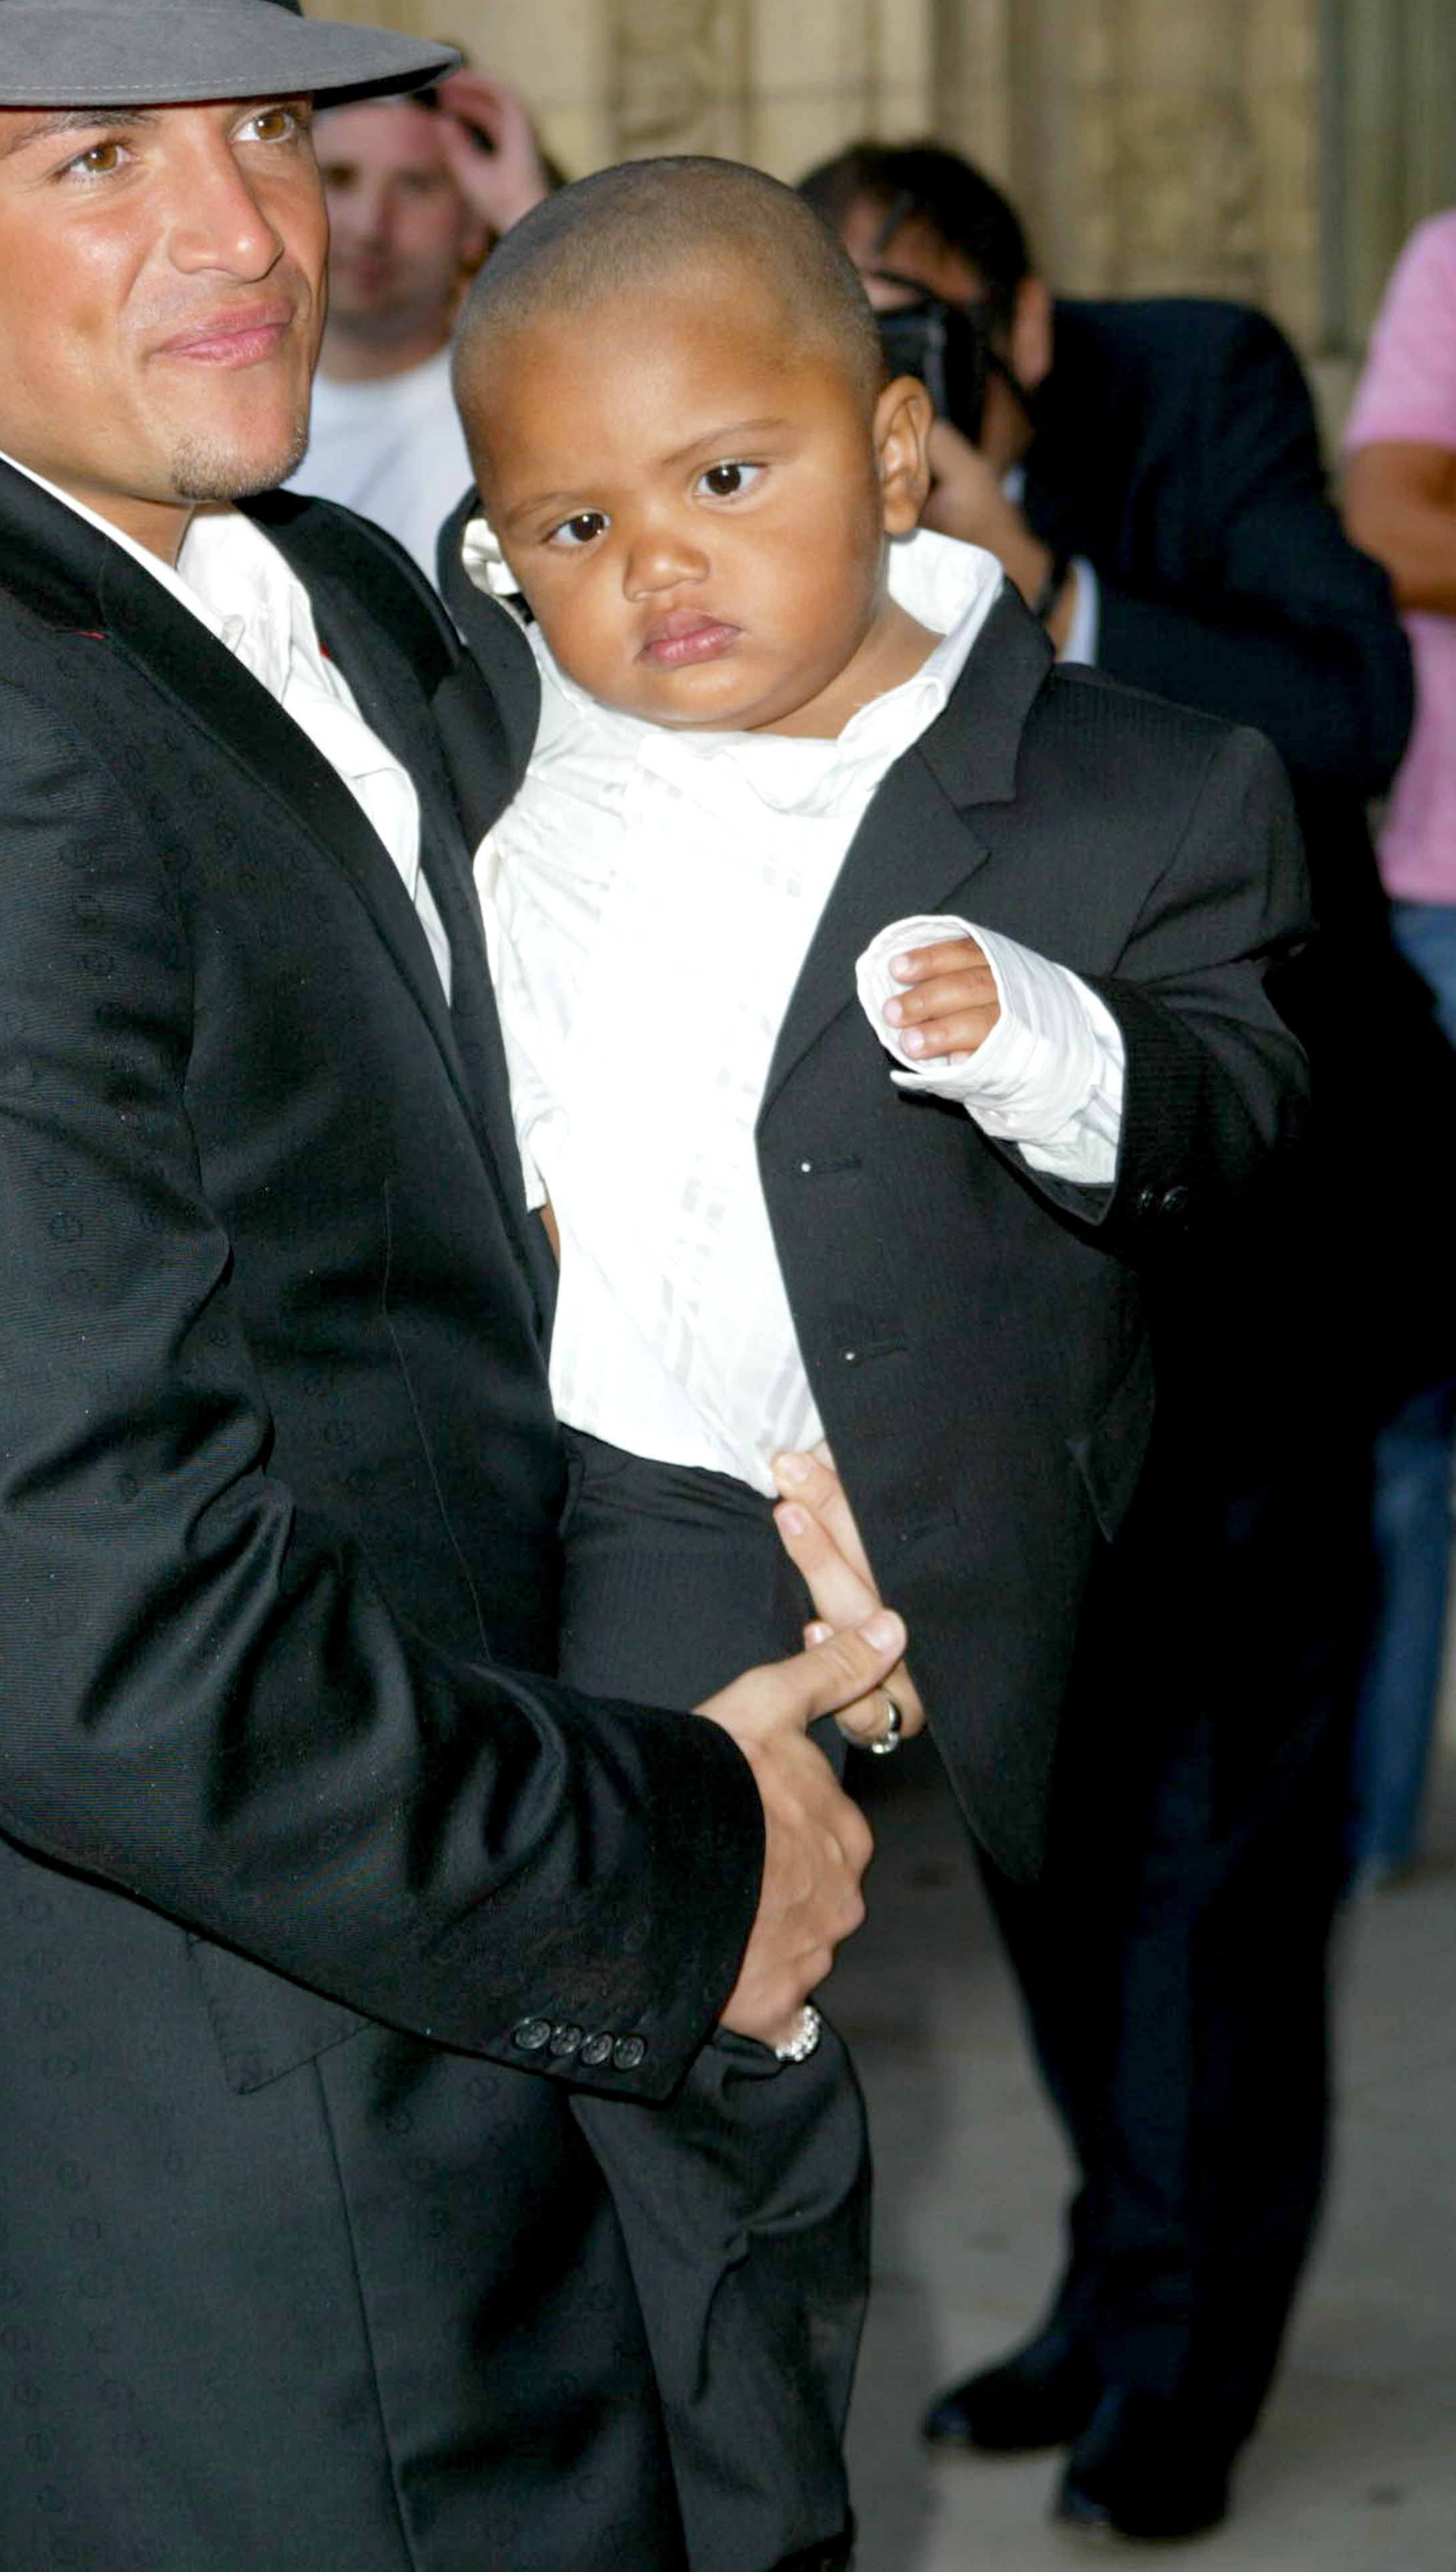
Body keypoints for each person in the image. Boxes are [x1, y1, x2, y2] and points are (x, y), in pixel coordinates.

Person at [0, 0, 909, 2572]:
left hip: (461, 2070)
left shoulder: (291, 569)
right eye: (84, 162)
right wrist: (688, 1854)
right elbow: (122, 1664)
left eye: (253, 126)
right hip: (244, 2220)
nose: (230, 232)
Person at [437, 157, 1310, 2567]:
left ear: (897, 449)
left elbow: (1236, 1112)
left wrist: (1039, 1040)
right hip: (511, 1493)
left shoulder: (1130, 783)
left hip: (819, 1511)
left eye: (730, 475)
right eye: (579, 522)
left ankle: (771, 2507)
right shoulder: (503, 758)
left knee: (743, 2064)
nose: (660, 564)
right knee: (554, 2107)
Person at [794, 135, 1432, 2541]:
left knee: (1220, 1867)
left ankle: (1187, 2358)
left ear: (1021, 333)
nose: (878, 377)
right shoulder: (791, 500)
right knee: (1055, 1840)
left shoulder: (1192, 396)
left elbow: (1337, 706)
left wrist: (1030, 574)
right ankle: (1104, 2273)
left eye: (915, 327)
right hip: (1004, 1321)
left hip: (1262, 1264)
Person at [1339, 206, 1456, 1879]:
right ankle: (1355, 1833)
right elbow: (1385, 521)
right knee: (1400, 1414)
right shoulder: (1444, 254)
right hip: (1437, 905)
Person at [290, 69, 552, 568]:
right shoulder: (211, 405)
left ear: (475, 225)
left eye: (414, 186)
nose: (370, 226)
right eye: (340, 179)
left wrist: (525, 211)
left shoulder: (520, 416)